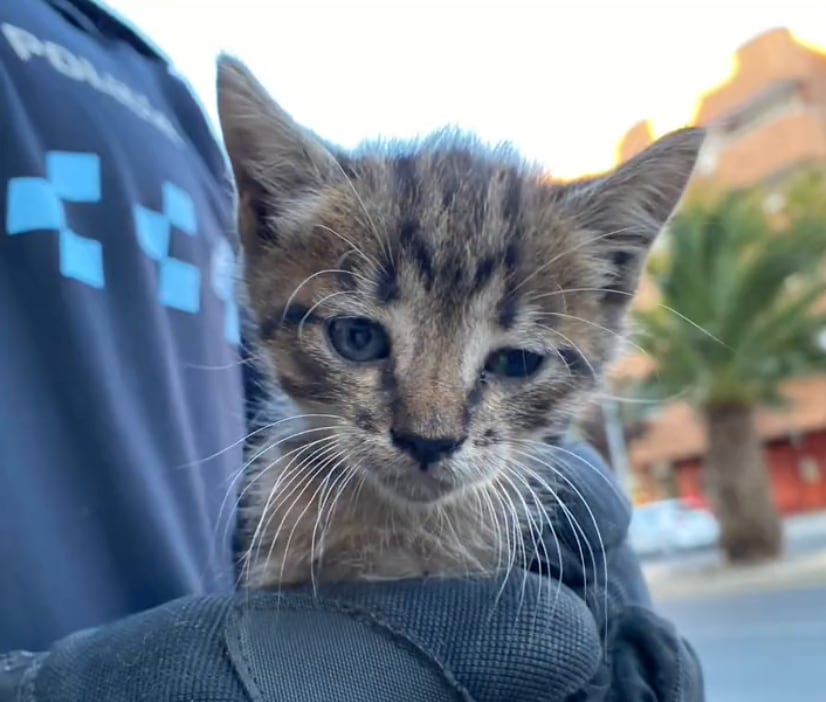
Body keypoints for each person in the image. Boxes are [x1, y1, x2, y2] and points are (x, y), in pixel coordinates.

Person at [0, 1, 704, 699]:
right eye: (359, 335)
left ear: (615, 276)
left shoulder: (152, 88)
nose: (431, 428)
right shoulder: (290, 506)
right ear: (265, 217)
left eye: (513, 361)